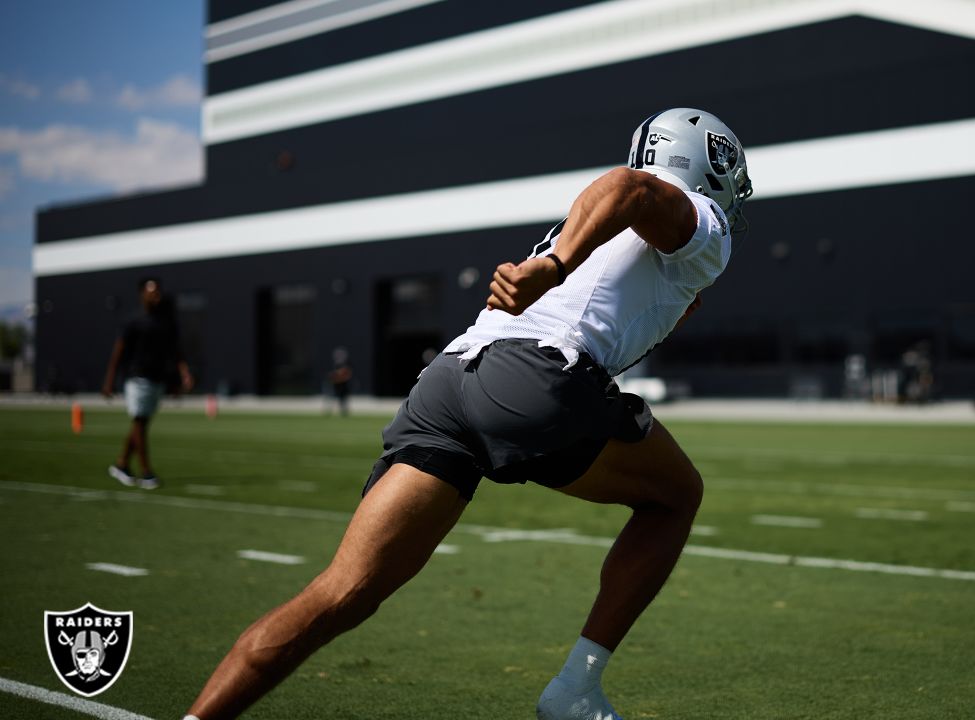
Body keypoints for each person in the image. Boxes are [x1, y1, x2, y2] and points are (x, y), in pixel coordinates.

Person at [184, 108, 752, 720]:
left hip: (450, 378)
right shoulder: (695, 220)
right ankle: (576, 689)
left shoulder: (622, 233)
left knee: (340, 592)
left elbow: (631, 247)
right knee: (676, 495)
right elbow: (631, 187)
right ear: (707, 163)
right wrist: (554, 265)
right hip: (532, 377)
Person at [102, 278, 193, 489]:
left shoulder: (164, 322)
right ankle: (146, 473)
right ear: (142, 293)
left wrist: (183, 372)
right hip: (137, 378)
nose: (156, 295)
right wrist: (109, 380)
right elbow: (118, 352)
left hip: (156, 378)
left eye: (158, 291)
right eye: (152, 291)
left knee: (141, 424)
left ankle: (122, 463)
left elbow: (174, 350)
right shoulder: (133, 321)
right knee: (139, 423)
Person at [326, 347, 353, 416]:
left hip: (343, 385)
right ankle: (329, 411)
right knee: (331, 398)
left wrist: (340, 377)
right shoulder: (335, 365)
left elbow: (347, 375)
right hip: (336, 385)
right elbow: (331, 375)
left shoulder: (346, 365)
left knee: (343, 399)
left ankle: (344, 411)